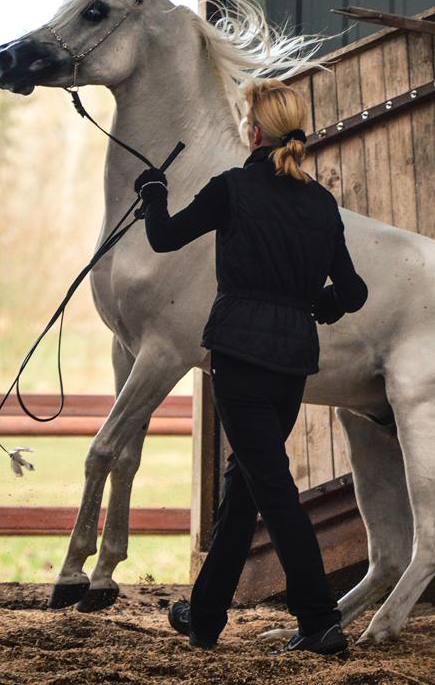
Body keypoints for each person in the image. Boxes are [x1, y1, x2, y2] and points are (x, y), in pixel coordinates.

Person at [133, 78, 367, 654]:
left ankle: (318, 621)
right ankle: (205, 616)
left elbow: (163, 238)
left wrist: (153, 191)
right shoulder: (321, 202)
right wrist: (316, 304)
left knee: (273, 489)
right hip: (290, 364)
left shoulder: (234, 188)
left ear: (254, 131)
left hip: (239, 358)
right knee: (247, 489)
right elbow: (354, 291)